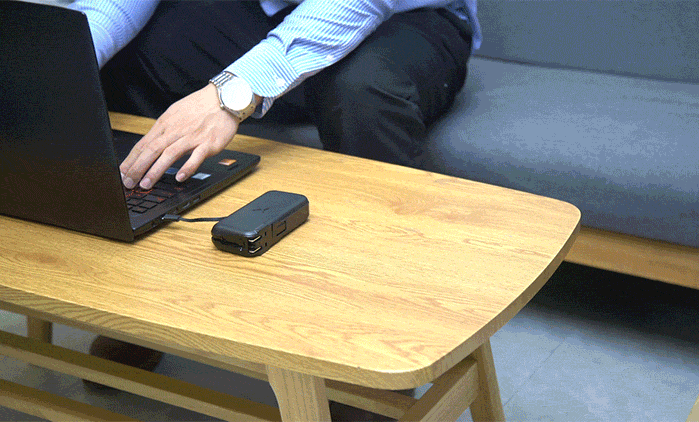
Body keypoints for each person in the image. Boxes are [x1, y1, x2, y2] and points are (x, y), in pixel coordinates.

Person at [73, 0, 480, 417]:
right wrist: (68, 55)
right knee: (129, 55)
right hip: (262, 11)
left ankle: (377, 351)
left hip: (405, 18)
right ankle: (146, 301)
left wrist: (228, 96)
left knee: (361, 92)